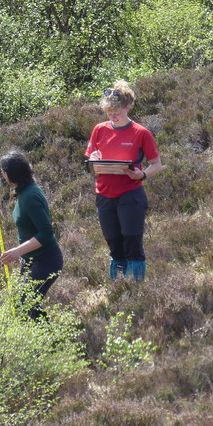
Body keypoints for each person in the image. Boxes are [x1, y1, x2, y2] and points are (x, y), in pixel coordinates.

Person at [86, 80, 163, 281]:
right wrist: (93, 160)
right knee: (113, 242)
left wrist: (142, 174)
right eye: (109, 113)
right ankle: (118, 288)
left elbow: (156, 164)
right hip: (104, 193)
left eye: (117, 113)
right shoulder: (99, 129)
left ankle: (136, 289)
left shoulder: (141, 133)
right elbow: (90, 158)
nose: (113, 117)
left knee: (132, 241)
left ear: (127, 107)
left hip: (130, 194)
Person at [0, 151, 63, 320]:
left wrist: (17, 252)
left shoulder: (30, 197)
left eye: (3, 171)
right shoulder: (25, 191)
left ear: (8, 174)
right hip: (32, 261)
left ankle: (51, 343)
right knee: (24, 306)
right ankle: (45, 341)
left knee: (27, 306)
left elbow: (47, 233)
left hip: (46, 261)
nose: (2, 175)